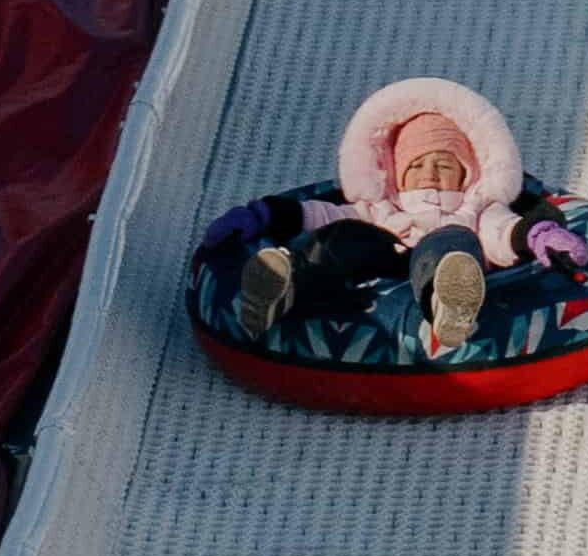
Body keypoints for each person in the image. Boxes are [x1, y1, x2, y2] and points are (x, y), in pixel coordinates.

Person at [223, 77, 532, 365]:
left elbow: (502, 230)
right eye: (416, 164)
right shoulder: (377, 207)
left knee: (453, 242)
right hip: (381, 254)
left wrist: (536, 235)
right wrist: (266, 214)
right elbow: (319, 215)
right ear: (397, 173)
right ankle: (285, 285)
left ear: (466, 172)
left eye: (444, 164)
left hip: (435, 259)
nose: (430, 173)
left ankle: (448, 304)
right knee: (344, 236)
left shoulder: (476, 209)